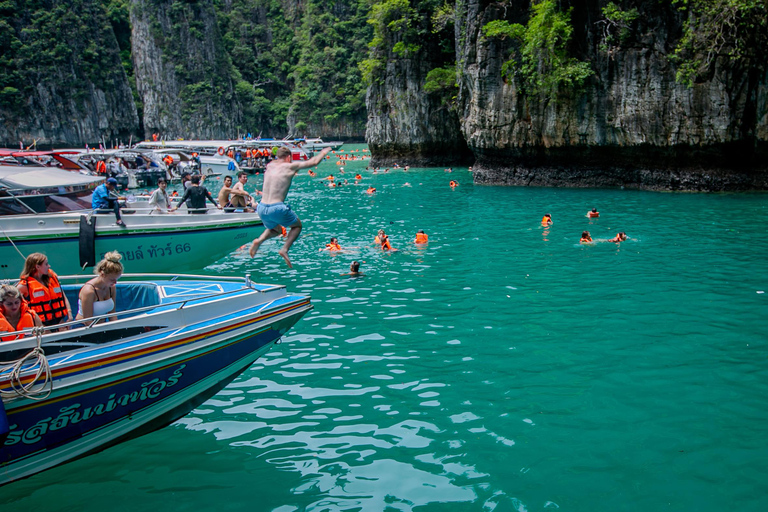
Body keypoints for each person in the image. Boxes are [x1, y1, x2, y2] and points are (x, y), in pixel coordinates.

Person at [249, 146, 332, 267]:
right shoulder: (289, 166)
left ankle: (259, 240)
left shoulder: (270, 165)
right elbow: (313, 162)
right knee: (297, 226)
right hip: (276, 207)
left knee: (276, 230)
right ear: (289, 157)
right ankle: (284, 249)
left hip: (261, 207)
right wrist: (323, 152)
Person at [17, 253, 73, 329]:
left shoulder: (52, 278)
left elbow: (63, 297)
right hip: (40, 324)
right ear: (37, 267)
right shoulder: (24, 285)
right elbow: (13, 300)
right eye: (46, 264)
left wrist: (69, 314)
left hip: (59, 320)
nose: (49, 266)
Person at [76, 251, 123, 324]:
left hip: (101, 325)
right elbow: (87, 320)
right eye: (112, 280)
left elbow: (112, 314)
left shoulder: (112, 287)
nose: (115, 282)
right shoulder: (89, 291)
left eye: (116, 279)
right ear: (102, 274)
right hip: (84, 327)